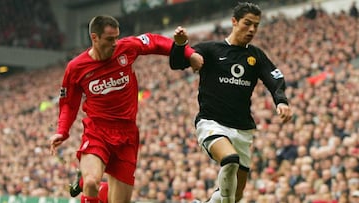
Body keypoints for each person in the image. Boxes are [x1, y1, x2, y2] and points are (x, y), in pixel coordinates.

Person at [49, 15, 199, 203]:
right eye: (109, 39)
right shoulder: (76, 67)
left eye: (116, 37)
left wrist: (189, 53)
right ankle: (86, 180)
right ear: (94, 38)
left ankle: (91, 184)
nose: (114, 43)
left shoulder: (125, 48)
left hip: (127, 135)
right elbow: (69, 103)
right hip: (97, 131)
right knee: (91, 183)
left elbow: (154, 42)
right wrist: (62, 131)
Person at [170, 2, 292, 203]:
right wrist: (181, 44)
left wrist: (281, 101)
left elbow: (274, 77)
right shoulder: (211, 49)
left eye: (256, 25)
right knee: (230, 160)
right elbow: (177, 63)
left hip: (243, 129)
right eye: (247, 23)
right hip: (212, 123)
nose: (252, 29)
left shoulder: (255, 55)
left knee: (236, 194)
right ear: (234, 22)